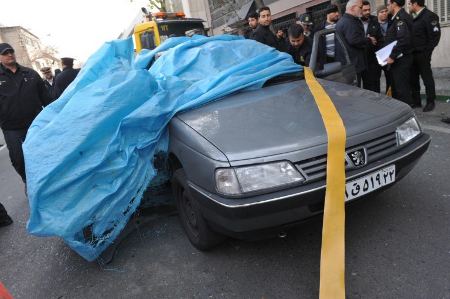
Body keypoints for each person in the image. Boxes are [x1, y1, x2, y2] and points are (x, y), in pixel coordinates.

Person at [0, 43, 52, 223]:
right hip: (11, 127)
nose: (9, 55)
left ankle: (46, 184)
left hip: (35, 124)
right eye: (5, 54)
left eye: (10, 52)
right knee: (18, 159)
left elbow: (47, 99)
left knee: (42, 154)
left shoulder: (30, 73)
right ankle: (28, 182)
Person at [409, 0, 441, 112]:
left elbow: (435, 37)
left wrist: (427, 52)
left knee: (427, 78)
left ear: (415, 4)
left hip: (423, 54)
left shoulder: (430, 16)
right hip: (412, 53)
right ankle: (416, 101)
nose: (408, 6)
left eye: (409, 4)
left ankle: (430, 101)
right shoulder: (411, 16)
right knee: (413, 79)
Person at [336, 0, 376, 86]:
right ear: (353, 8)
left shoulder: (345, 20)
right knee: (356, 90)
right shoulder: (349, 21)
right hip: (353, 64)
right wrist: (368, 40)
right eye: (360, 7)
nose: (362, 10)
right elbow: (354, 40)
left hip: (350, 63)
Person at [384, 0, 414, 106]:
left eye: (388, 4)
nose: (387, 7)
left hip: (401, 59)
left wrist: (392, 56)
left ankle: (406, 115)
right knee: (398, 88)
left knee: (402, 89)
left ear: (394, 4)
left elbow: (403, 40)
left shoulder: (400, 18)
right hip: (399, 59)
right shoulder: (396, 17)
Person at [361, 0, 384, 92]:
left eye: (369, 10)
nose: (367, 12)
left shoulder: (375, 20)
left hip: (374, 60)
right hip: (362, 60)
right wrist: (367, 39)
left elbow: (380, 39)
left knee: (375, 84)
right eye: (365, 10)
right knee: (366, 87)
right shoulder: (355, 23)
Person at [377, 5, 391, 93]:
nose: (385, 13)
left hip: (389, 55)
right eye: (382, 12)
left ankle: (389, 95)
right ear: (378, 14)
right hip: (377, 55)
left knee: (390, 78)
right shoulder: (373, 24)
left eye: (386, 11)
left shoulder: (391, 23)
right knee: (375, 79)